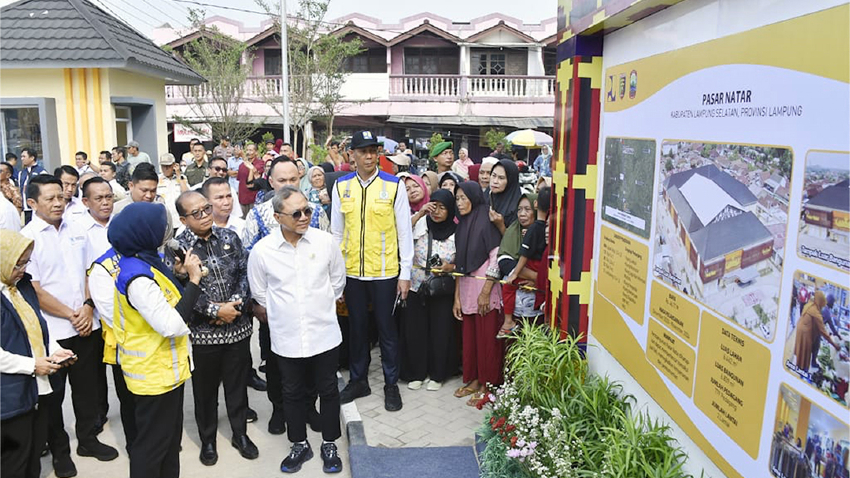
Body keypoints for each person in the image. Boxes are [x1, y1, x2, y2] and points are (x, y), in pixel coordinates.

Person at [20, 175, 117, 478]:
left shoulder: (77, 229)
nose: (58, 202)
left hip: (86, 326)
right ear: (32, 203)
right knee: (53, 397)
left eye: (61, 196)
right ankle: (60, 451)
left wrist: (88, 307)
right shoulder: (28, 237)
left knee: (87, 390)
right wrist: (71, 315)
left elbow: (91, 271)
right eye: (50, 198)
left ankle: (88, 439)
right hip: (53, 333)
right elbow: (33, 289)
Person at [248, 186, 346, 474]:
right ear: (278, 217)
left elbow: (337, 283)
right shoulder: (263, 251)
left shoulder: (325, 242)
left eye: (308, 210)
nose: (305, 217)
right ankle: (299, 444)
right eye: (296, 213)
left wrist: (316, 306)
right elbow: (260, 295)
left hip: (324, 333)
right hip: (286, 337)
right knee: (291, 393)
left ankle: (330, 444)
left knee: (328, 391)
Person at [108, 202, 203, 478]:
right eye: (161, 227)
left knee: (169, 443)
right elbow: (171, 324)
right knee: (152, 448)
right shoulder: (137, 276)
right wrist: (195, 282)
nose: (167, 231)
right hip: (152, 376)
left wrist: (180, 276)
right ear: (143, 232)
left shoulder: (147, 261)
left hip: (165, 371)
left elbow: (166, 300)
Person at [169, 191, 258, 466]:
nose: (205, 214)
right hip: (202, 336)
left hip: (238, 328)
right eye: (196, 213)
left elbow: (245, 272)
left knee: (237, 387)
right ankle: (207, 440)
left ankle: (240, 434)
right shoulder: (178, 251)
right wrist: (214, 310)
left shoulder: (230, 236)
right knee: (204, 392)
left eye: (206, 208)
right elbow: (180, 290)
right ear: (183, 219)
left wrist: (235, 306)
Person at [243, 158, 327, 433]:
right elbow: (248, 262)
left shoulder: (313, 212)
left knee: (313, 361)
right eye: (282, 180)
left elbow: (329, 256)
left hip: (312, 307)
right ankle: (280, 409)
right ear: (270, 181)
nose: (288, 185)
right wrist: (257, 304)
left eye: (293, 179)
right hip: (274, 311)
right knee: (277, 364)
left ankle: (309, 406)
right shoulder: (258, 215)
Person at [332, 130, 414, 412]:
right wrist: (336, 276)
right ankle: (359, 380)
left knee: (387, 330)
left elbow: (405, 233)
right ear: (351, 155)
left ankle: (391, 384)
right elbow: (336, 233)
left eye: (373, 150)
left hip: (385, 271)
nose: (369, 155)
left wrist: (405, 274)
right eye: (363, 151)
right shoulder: (341, 186)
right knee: (357, 329)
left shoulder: (393, 185)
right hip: (353, 272)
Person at [1, 230, 77, 478]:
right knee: (15, 460)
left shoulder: (19, 287)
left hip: (36, 388)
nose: (22, 269)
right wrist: (32, 365)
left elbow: (36, 323)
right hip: (10, 396)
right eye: (17, 263)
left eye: (26, 262)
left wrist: (54, 349)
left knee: (33, 452)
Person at [82, 178, 139, 455]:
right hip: (103, 316)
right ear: (86, 202)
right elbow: (84, 274)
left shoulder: (123, 224)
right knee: (110, 382)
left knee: (137, 384)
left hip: (135, 314)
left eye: (108, 197)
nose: (105, 202)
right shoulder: (80, 232)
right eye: (99, 198)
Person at [451, 181, 504, 406]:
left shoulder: (486, 219)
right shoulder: (462, 224)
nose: (460, 202)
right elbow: (459, 264)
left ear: (474, 196)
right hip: (466, 286)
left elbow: (496, 255)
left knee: (487, 338)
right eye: (457, 198)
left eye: (464, 198)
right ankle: (473, 379)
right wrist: (457, 297)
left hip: (485, 287)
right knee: (471, 337)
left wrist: (485, 291)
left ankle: (488, 384)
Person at [400, 189, 457, 392]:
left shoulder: (456, 231)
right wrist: (421, 213)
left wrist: (449, 267)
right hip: (417, 287)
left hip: (441, 290)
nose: (437, 211)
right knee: (416, 331)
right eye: (434, 206)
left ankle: (437, 374)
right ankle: (417, 373)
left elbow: (463, 262)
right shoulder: (421, 225)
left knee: (440, 333)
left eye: (442, 208)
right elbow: (402, 232)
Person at [499, 188, 549, 338]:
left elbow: (525, 254)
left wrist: (535, 280)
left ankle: (508, 322)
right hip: (520, 307)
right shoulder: (515, 231)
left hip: (536, 313)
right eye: (519, 209)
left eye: (527, 209)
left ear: (535, 206)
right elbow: (504, 260)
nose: (522, 214)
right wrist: (538, 279)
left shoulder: (540, 229)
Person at [793, 291, 840, 372]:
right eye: (833, 303)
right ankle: (804, 369)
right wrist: (835, 345)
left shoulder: (812, 305)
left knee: (804, 348)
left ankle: (803, 365)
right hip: (808, 332)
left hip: (802, 328)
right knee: (808, 349)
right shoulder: (824, 312)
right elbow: (825, 331)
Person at [488, 159, 523, 234]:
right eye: (493, 175)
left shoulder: (518, 208)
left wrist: (500, 225)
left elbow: (514, 243)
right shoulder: (486, 197)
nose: (495, 181)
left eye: (501, 178)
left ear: (510, 181)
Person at [17, 148, 46, 224]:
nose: (22, 159)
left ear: (32, 158)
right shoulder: (21, 173)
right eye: (21, 157)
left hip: (37, 208)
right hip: (26, 208)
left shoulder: (41, 171)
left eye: (24, 156)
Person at [237, 143, 264, 218]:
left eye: (251, 150)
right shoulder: (241, 165)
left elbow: (254, 171)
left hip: (253, 198)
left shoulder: (260, 163)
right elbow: (239, 181)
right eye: (247, 150)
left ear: (256, 152)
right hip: (242, 198)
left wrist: (243, 157)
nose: (248, 152)